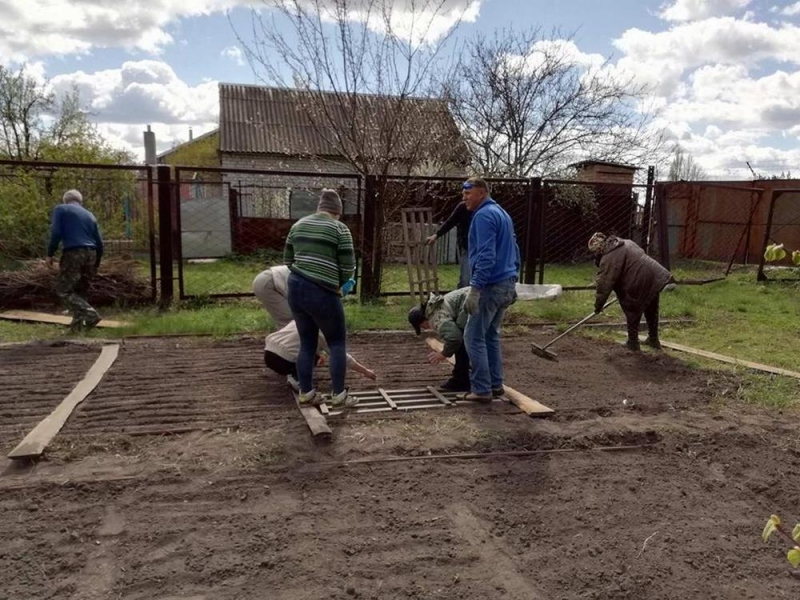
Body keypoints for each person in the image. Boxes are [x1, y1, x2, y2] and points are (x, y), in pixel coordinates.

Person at [284, 189, 356, 407]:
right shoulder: (339, 229)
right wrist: (338, 284)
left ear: (319, 208)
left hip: (295, 287)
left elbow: (288, 259)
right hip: (322, 291)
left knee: (307, 342)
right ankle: (339, 395)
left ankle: (306, 392)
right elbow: (347, 266)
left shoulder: (298, 225)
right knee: (336, 343)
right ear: (337, 212)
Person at [461, 177, 520, 403]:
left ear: (482, 193)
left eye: (468, 192)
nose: (464, 197)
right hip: (505, 282)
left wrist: (475, 288)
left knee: (473, 336)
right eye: (463, 193)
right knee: (490, 335)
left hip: (490, 285)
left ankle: (482, 389)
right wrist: (514, 278)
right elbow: (515, 250)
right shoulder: (502, 214)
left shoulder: (483, 216)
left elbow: (486, 256)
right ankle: (496, 385)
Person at [589, 232, 674, 352]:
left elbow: (604, 285)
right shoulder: (625, 242)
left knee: (632, 308)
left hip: (639, 280)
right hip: (655, 275)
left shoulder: (609, 258)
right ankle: (653, 339)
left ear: (598, 249)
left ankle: (633, 342)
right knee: (651, 306)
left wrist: (598, 306)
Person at [46, 189, 104, 330]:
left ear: (65, 200)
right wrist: (97, 262)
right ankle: (77, 327)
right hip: (91, 253)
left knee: (63, 290)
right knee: (80, 290)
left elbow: (56, 232)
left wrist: (50, 253)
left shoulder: (61, 209)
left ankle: (91, 314)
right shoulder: (89, 215)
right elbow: (100, 242)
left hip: (73, 252)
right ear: (80, 201)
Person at [264, 321, 376, 391]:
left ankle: (292, 372)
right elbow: (342, 357)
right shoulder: (323, 333)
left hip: (268, 353)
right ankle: (297, 379)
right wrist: (365, 371)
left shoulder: (301, 319)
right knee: (310, 356)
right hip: (284, 360)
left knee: (311, 353)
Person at [407, 287, 471, 392]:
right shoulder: (435, 307)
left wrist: (443, 354)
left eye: (422, 327)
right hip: (482, 296)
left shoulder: (436, 317)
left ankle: (462, 380)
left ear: (423, 320)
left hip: (473, 301)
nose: (425, 329)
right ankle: (470, 378)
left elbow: (455, 338)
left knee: (462, 343)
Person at [426, 199, 472, 288]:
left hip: (483, 249)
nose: (465, 197)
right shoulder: (463, 207)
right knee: (466, 280)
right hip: (467, 248)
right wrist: (436, 235)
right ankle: (460, 299)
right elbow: (450, 222)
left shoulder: (486, 209)